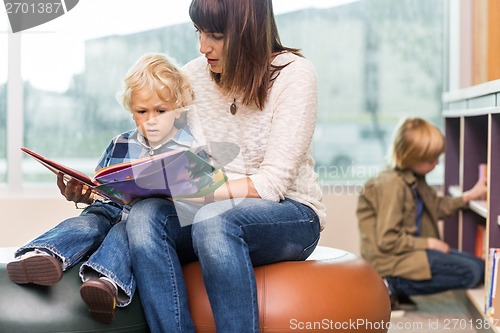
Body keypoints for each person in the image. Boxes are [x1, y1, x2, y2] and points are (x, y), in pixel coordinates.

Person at [124, 0, 327, 332]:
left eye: (215, 35)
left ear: (248, 31)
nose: (203, 47)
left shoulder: (294, 75)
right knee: (145, 217)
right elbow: (167, 147)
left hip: (290, 212)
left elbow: (272, 184)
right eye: (199, 32)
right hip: (212, 205)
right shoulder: (190, 76)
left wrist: (197, 192)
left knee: (212, 221)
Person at [6, 53, 195, 323]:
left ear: (179, 110)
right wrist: (82, 193)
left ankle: (104, 282)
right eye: (142, 111)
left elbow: (196, 201)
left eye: (161, 111)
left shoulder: (188, 147)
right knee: (88, 223)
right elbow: (102, 185)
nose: (151, 120)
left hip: (146, 221)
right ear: (132, 111)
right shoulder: (119, 143)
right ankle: (44, 255)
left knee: (124, 231)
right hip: (108, 209)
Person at [357, 117, 487, 313]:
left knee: (479, 265)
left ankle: (397, 285)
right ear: (409, 157)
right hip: (393, 260)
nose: (435, 163)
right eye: (429, 160)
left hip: (413, 251)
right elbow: (387, 240)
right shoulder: (392, 185)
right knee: (476, 271)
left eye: (437, 157)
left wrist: (468, 196)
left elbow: (437, 207)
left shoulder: (415, 177)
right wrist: (430, 244)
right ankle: (391, 284)